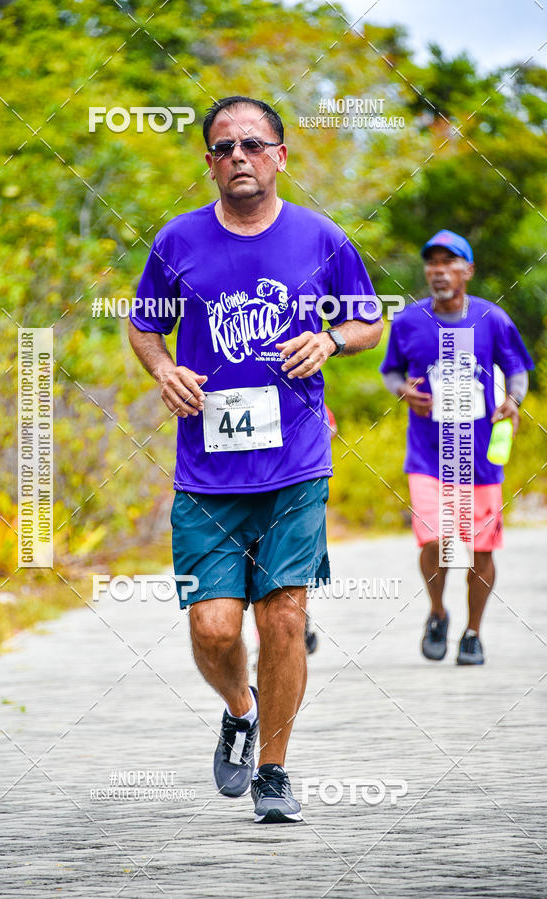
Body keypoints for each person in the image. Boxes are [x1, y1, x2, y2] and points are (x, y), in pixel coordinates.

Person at [128, 96, 382, 822]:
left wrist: (332, 340)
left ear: (279, 154)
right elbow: (145, 325)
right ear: (208, 163)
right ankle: (239, 710)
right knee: (212, 626)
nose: (238, 155)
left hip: (298, 464)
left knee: (283, 616)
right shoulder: (178, 241)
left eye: (252, 143)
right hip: (207, 471)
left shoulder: (321, 236)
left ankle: (274, 768)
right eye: (222, 146)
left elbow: (369, 320)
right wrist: (162, 369)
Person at [380, 230, 533, 665]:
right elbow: (391, 372)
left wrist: (512, 401)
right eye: (432, 263)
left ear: (468, 270)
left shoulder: (492, 319)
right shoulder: (409, 321)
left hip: (480, 459)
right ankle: (437, 612)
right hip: (427, 456)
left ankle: (472, 633)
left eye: (450, 262)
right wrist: (403, 393)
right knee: (434, 539)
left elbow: (517, 370)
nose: (439, 271)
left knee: (480, 550)